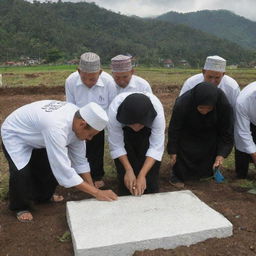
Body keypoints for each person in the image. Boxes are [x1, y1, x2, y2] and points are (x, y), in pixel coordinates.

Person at [1, 100, 118, 222]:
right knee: (21, 173)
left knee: (46, 167)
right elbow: (63, 171)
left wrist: (93, 189)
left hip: (39, 133)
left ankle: (43, 197)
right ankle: (20, 206)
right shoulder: (56, 127)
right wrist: (97, 193)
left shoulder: (77, 120)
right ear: (82, 124)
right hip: (17, 133)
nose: (89, 139)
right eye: (90, 135)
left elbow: (80, 161)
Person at [65, 52, 117, 189]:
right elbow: (70, 105)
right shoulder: (71, 81)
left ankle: (97, 175)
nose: (88, 82)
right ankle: (77, 176)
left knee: (96, 148)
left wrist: (100, 125)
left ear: (100, 72)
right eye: (84, 78)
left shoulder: (108, 82)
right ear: (78, 71)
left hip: (99, 122)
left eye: (93, 79)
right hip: (79, 121)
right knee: (76, 148)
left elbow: (112, 106)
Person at [167, 82, 233, 187]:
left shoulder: (223, 104)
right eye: (201, 108)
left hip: (210, 132)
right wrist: (173, 151)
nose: (205, 112)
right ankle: (177, 175)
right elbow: (174, 129)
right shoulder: (183, 103)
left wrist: (221, 154)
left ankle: (208, 172)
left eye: (209, 108)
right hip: (187, 132)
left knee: (208, 157)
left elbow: (226, 131)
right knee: (183, 156)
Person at [108, 92, 165, 196]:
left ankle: (149, 188)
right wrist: (128, 170)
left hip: (147, 132)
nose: (136, 127)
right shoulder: (114, 110)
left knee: (149, 179)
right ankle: (126, 189)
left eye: (140, 124)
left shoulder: (156, 111)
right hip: (125, 133)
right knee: (126, 173)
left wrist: (142, 174)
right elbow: (117, 145)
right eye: (132, 124)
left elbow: (156, 147)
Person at [234, 81, 256, 178]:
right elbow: (244, 132)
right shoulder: (243, 102)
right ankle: (241, 175)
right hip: (250, 120)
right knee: (242, 146)